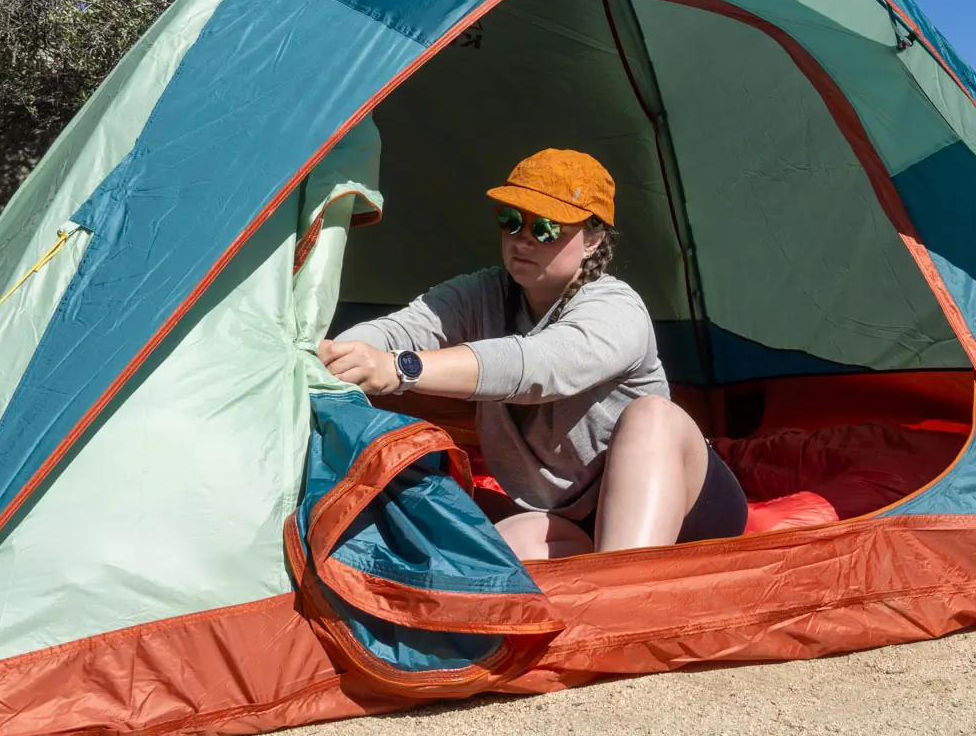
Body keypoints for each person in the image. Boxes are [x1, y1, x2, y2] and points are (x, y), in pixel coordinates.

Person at [317, 148, 747, 560]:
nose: (523, 239)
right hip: (574, 517)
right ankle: (607, 582)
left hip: (689, 509)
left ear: (593, 240)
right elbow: (402, 328)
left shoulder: (616, 309)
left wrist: (400, 368)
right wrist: (331, 356)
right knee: (496, 557)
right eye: (511, 221)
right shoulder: (482, 293)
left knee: (653, 415)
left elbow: (538, 366)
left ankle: (623, 591)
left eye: (546, 227)